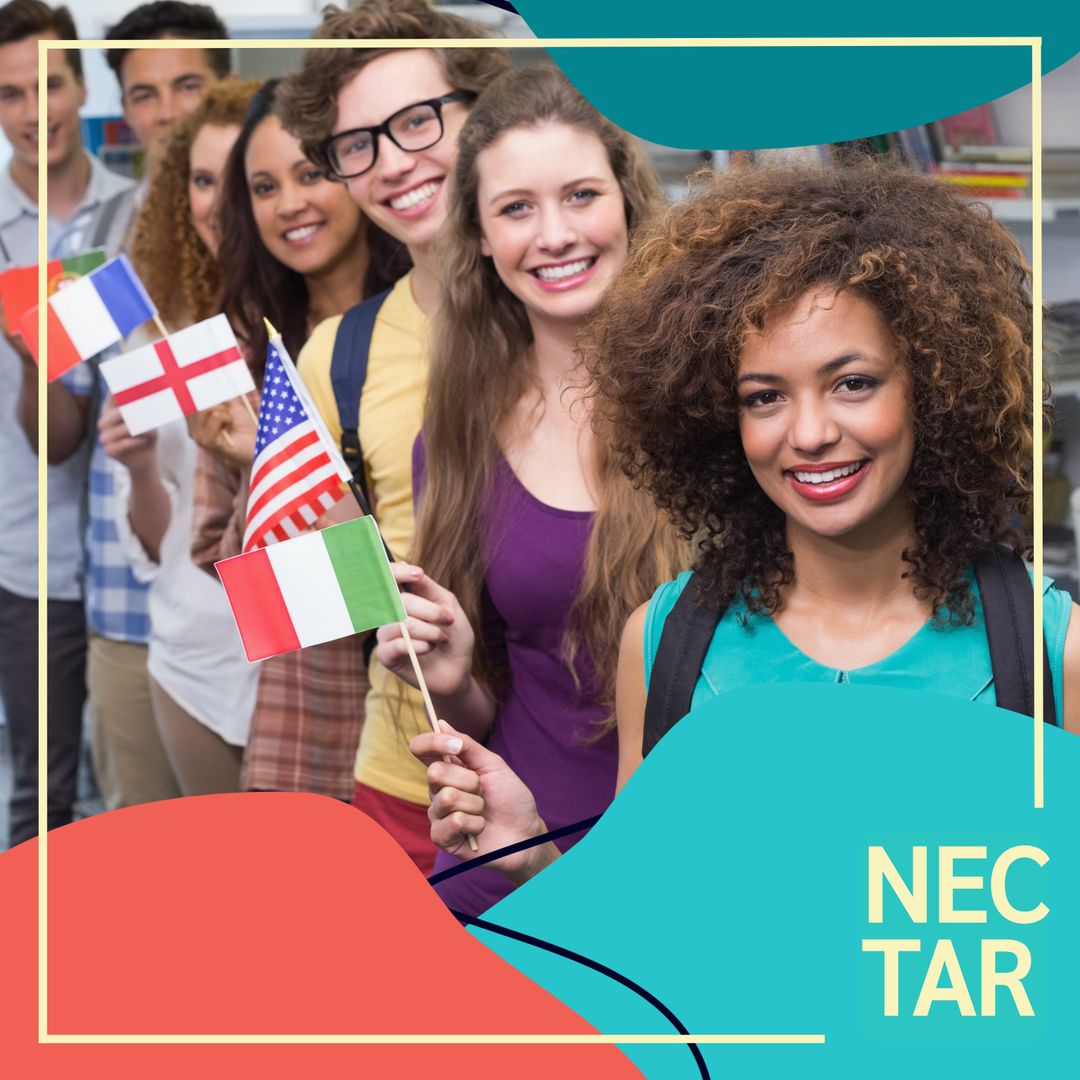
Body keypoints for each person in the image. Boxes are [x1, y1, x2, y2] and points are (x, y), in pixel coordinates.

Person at [410, 161, 1080, 891]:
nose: (812, 432)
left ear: (932, 385)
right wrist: (536, 854)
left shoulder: (1049, 652)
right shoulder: (667, 643)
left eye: (852, 383)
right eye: (765, 397)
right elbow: (647, 921)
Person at [371, 66, 687, 914]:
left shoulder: (725, 408)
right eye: (516, 208)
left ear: (627, 203)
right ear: (478, 235)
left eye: (580, 195)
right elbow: (482, 713)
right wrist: (450, 674)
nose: (554, 234)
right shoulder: (459, 438)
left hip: (683, 867)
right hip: (508, 861)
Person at [274, 0, 510, 869]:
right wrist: (321, 560)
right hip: (412, 776)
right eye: (359, 143)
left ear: (482, 114)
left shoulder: (580, 306)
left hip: (587, 759)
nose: (395, 164)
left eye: (418, 121)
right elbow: (333, 608)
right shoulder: (338, 354)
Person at [36, 0, 231, 818]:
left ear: (225, 88)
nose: (166, 113)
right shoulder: (98, 243)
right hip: (129, 596)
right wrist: (30, 353)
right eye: (144, 93)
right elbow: (64, 422)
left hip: (257, 609)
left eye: (188, 85)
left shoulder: (277, 220)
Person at [189, 79, 401, 798]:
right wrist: (261, 472)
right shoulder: (241, 357)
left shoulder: (437, 336)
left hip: (439, 727)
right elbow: (227, 570)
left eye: (311, 173)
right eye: (263, 186)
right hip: (307, 725)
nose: (289, 203)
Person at [100, 80, 260, 796]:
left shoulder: (323, 322)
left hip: (298, 658)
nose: (217, 202)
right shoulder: (158, 329)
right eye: (201, 180)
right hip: (193, 651)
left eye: (238, 180)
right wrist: (136, 470)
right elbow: (162, 541)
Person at [0, 0, 131, 846]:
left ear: (81, 87)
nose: (34, 109)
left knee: (130, 806)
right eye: (9, 94)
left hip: (136, 567)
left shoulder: (139, 216)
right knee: (39, 798)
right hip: (28, 559)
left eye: (49, 84)